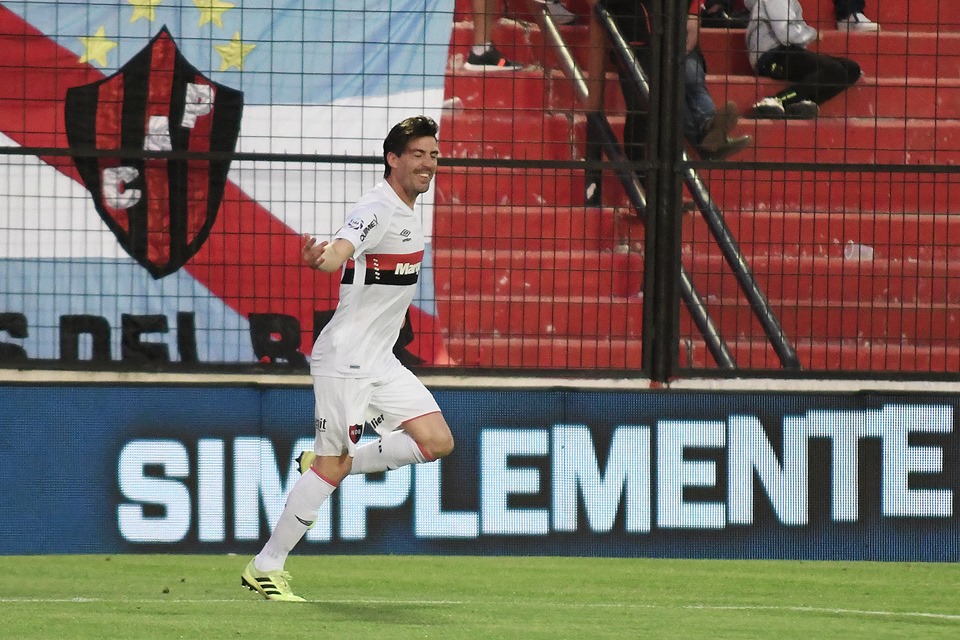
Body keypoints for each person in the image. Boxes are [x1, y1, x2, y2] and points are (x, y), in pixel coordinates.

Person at [240, 116, 455, 602]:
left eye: (433, 155)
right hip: (346, 361)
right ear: (392, 159)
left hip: (380, 360)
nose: (428, 163)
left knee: (436, 441)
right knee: (332, 465)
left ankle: (323, 464)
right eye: (417, 154)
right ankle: (266, 566)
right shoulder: (376, 207)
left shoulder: (409, 210)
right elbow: (341, 248)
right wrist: (324, 258)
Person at [745, 0, 862, 119]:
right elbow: (786, 33)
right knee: (835, 70)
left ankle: (801, 101)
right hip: (772, 56)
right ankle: (778, 100)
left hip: (790, 51)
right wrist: (813, 34)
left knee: (851, 69)